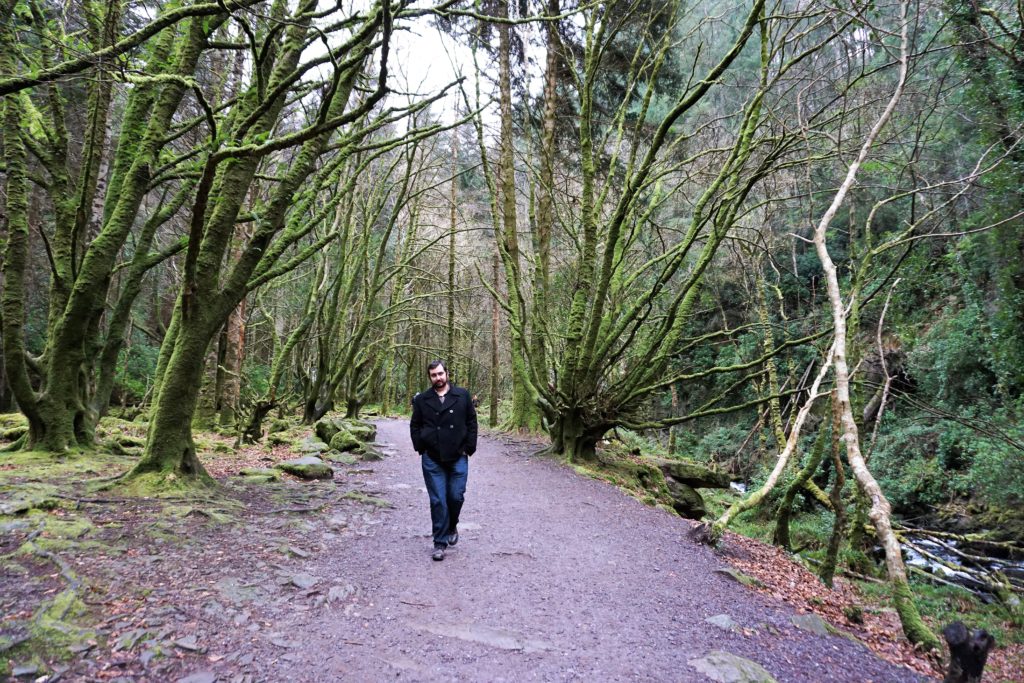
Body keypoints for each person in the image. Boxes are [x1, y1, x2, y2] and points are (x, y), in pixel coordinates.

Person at [409, 360, 477, 561]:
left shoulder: (462, 395)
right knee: (438, 500)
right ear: (429, 377)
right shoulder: (422, 400)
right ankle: (439, 542)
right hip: (432, 457)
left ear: (446, 373)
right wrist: (420, 445)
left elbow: (471, 422)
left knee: (455, 496)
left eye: (440, 374)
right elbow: (415, 425)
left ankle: (452, 524)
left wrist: (469, 448)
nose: (437, 378)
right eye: (433, 375)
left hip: (458, 455)